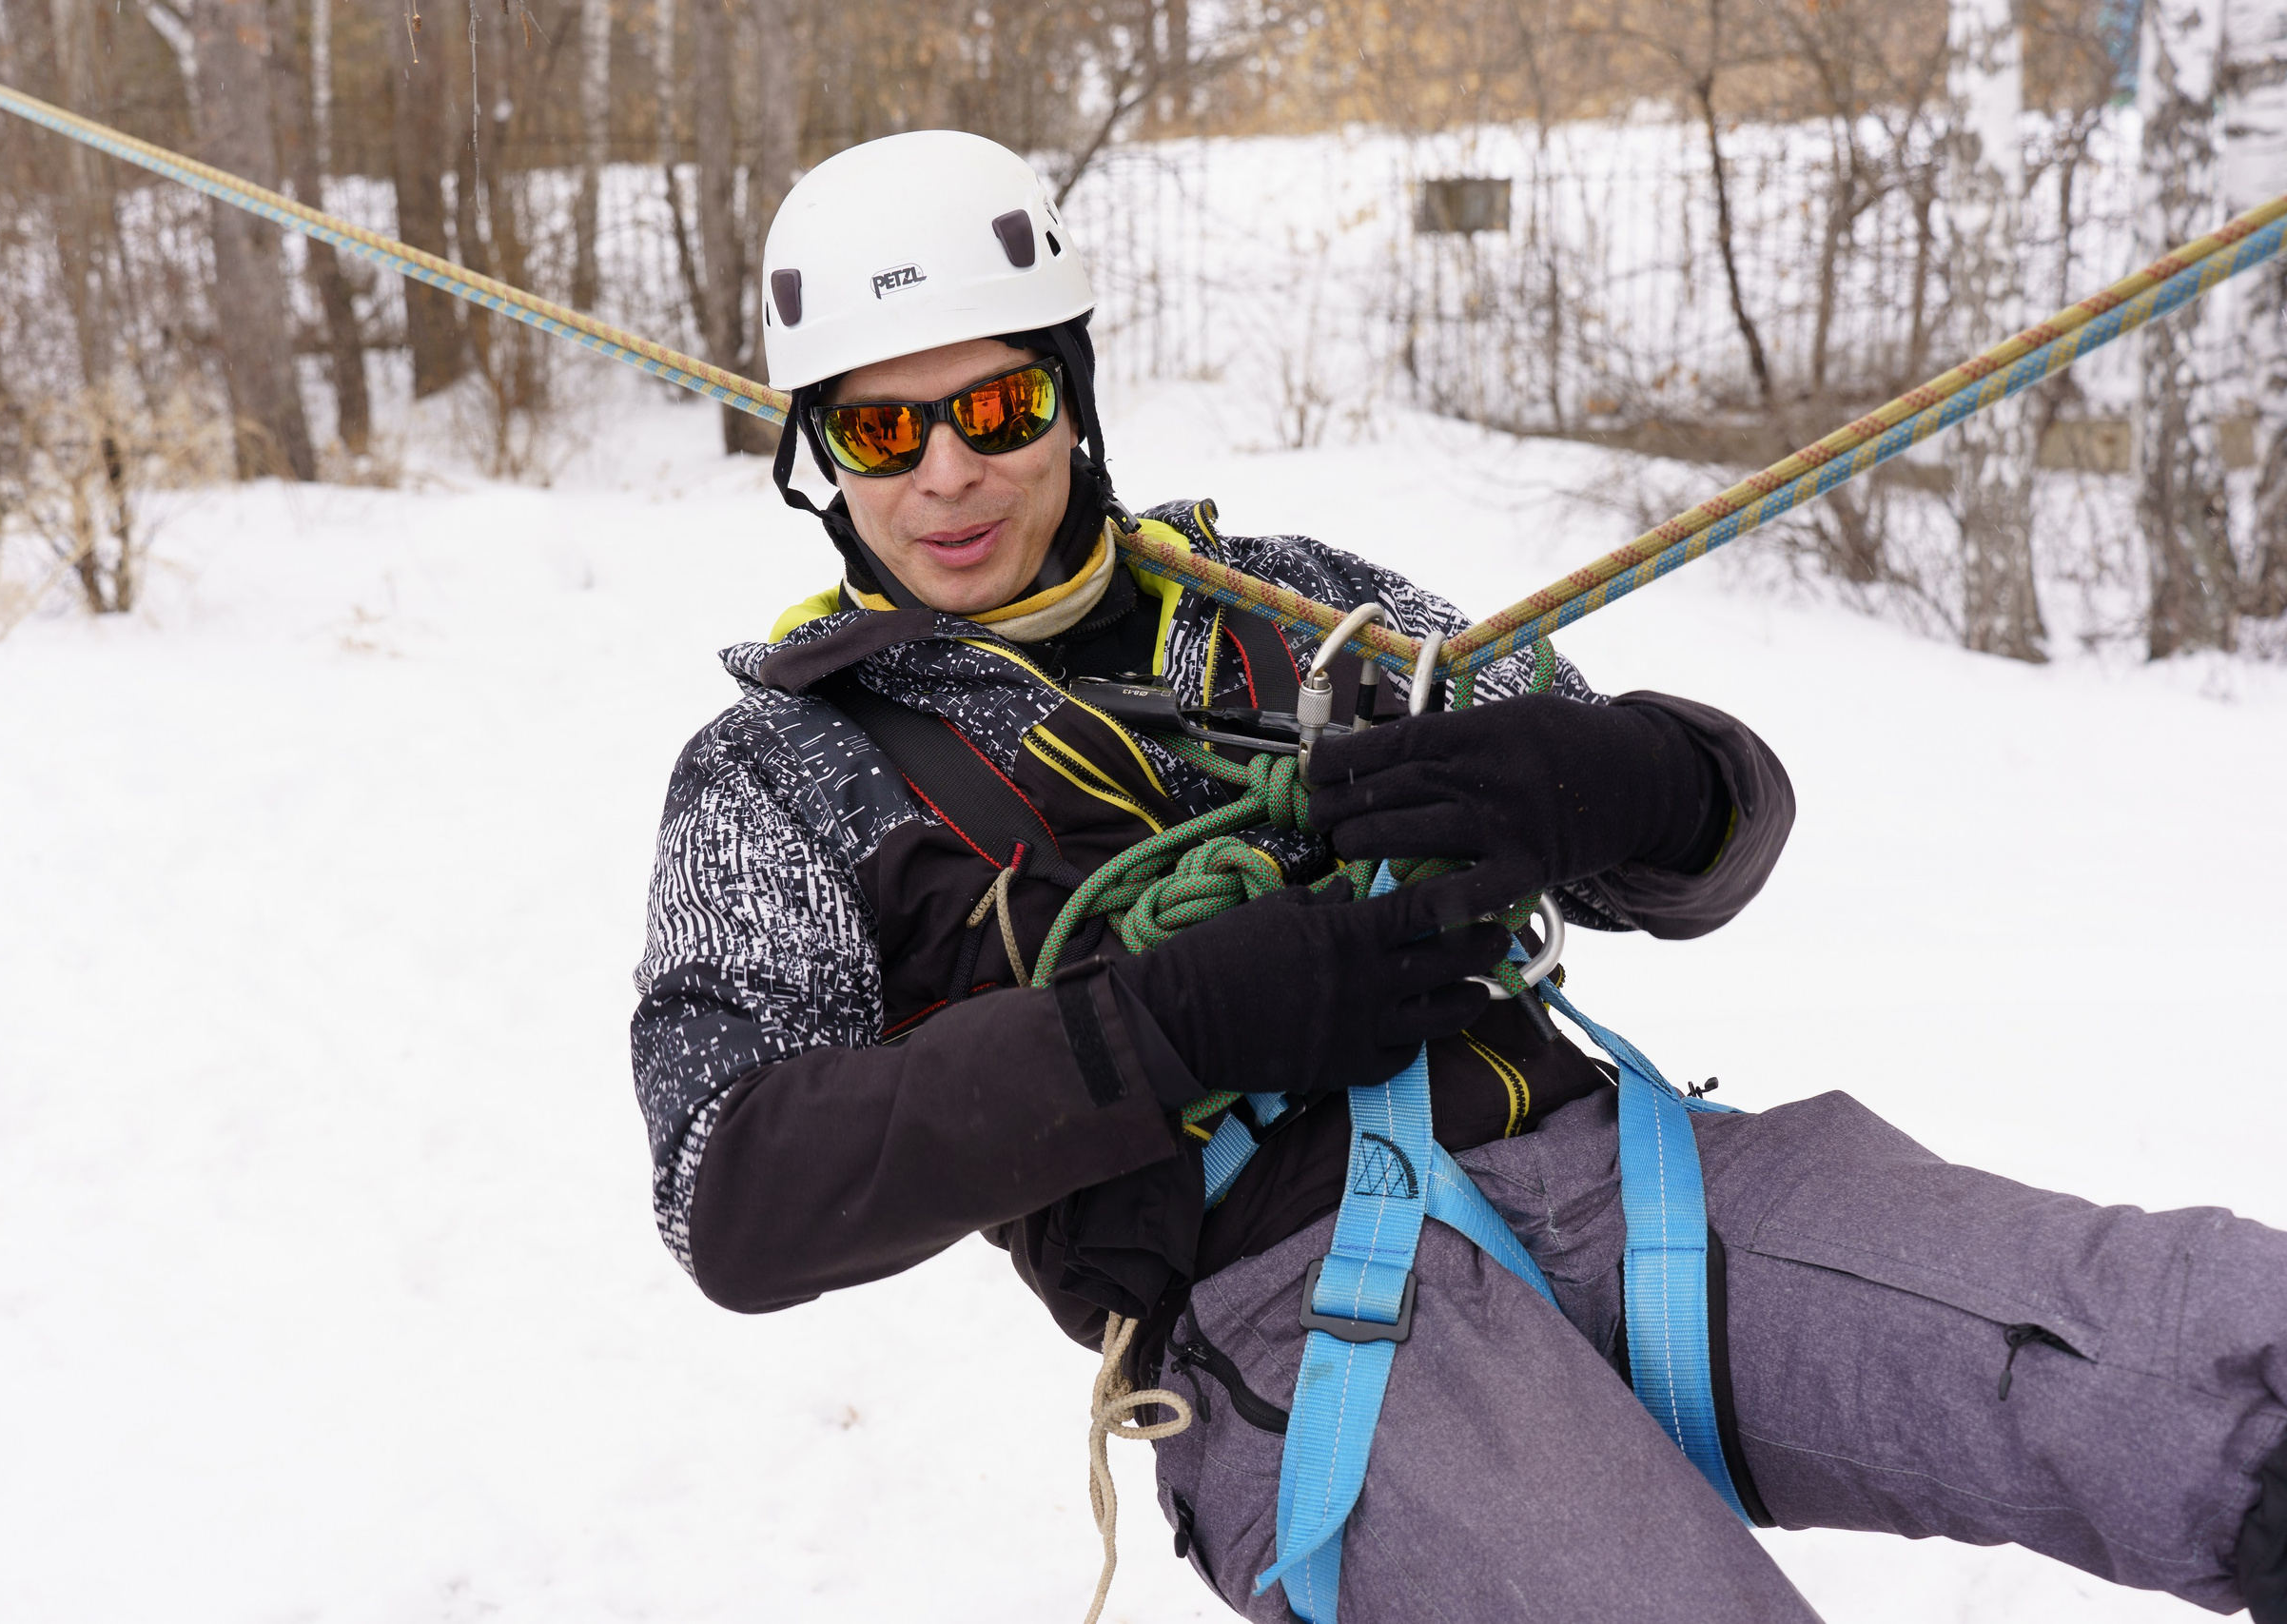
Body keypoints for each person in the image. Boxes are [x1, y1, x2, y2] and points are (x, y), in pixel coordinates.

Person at [631, 129, 2287, 1622]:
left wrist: (1620, 775)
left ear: (1069, 391)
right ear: (817, 454)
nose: (945, 473)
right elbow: (730, 1187)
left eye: (995, 407)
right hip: (1285, 1315)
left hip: (1616, 1180)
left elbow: (1710, 846)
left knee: (2183, 1352)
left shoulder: (1293, 607)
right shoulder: (787, 769)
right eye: (881, 426)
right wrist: (1167, 1028)